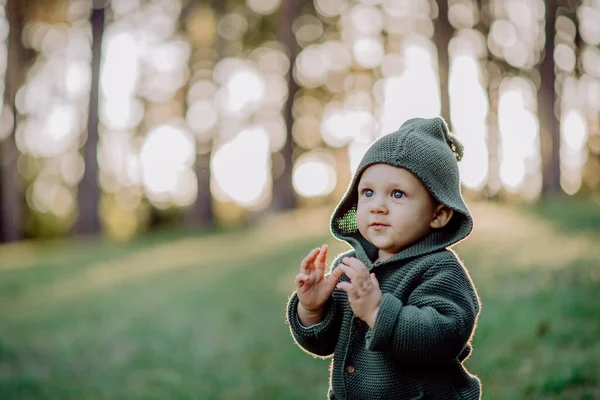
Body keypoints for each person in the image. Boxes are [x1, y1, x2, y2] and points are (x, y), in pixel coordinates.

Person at [286, 117, 482, 399]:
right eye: (368, 193)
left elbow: (444, 337)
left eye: (397, 194)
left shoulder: (440, 270)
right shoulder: (350, 267)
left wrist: (377, 312)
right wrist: (312, 310)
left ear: (438, 214)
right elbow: (323, 345)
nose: (378, 206)